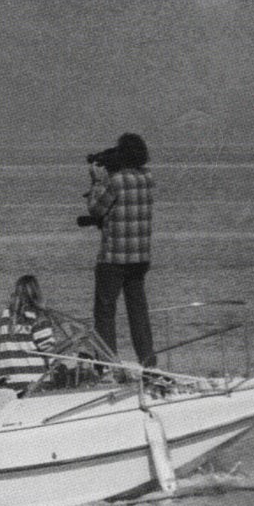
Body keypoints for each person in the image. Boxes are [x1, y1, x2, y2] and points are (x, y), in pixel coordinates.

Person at [85, 132, 156, 368]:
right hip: (140, 258)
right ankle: (148, 362)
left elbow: (96, 210)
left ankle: (107, 364)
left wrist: (96, 181)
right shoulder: (147, 178)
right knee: (138, 312)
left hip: (113, 258)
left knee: (105, 312)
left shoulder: (115, 182)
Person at [0, 275, 56, 391]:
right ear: (37, 292)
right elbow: (48, 350)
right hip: (33, 382)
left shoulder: (6, 315)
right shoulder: (37, 316)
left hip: (7, 381)